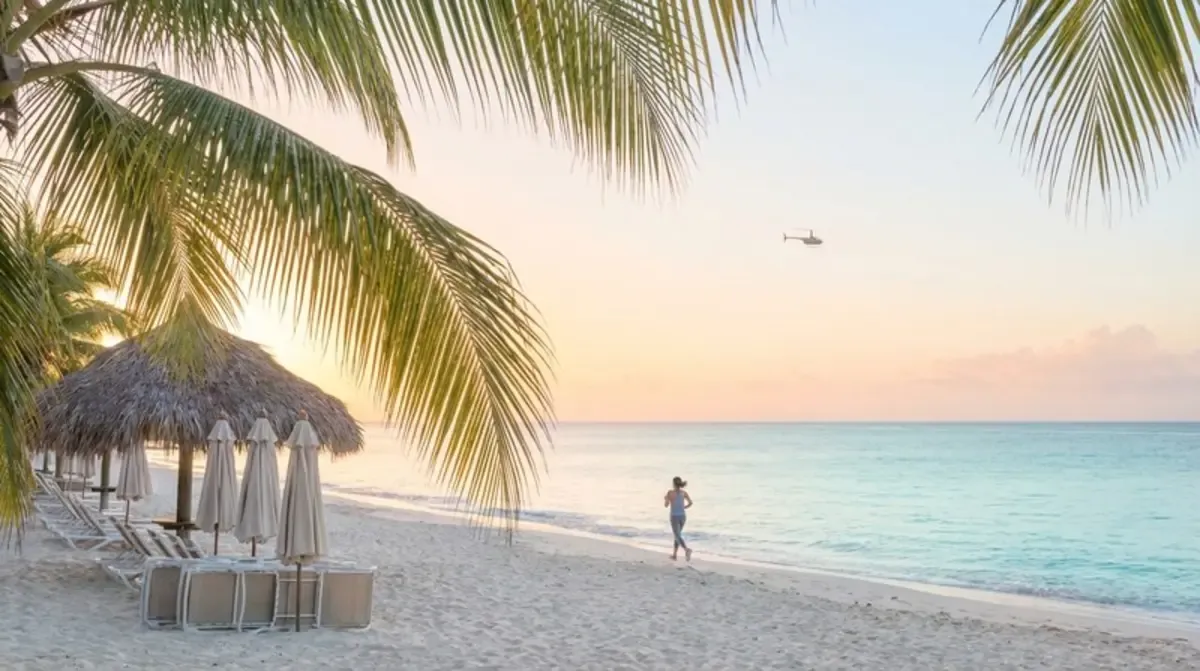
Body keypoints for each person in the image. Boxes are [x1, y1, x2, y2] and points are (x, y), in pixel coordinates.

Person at [663, 476, 693, 561]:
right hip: (683, 516)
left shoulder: (670, 493)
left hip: (674, 516)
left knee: (677, 535)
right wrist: (684, 507)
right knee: (677, 535)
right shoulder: (684, 493)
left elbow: (666, 505)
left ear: (673, 484)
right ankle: (674, 555)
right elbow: (690, 503)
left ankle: (687, 550)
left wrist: (666, 499)